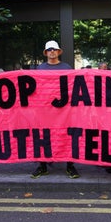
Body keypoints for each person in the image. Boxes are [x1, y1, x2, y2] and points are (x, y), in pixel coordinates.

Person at [31, 40, 80, 179]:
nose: (52, 51)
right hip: (45, 111)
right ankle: (42, 166)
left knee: (67, 136)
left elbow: (73, 87)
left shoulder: (67, 67)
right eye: (49, 49)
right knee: (43, 136)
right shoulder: (39, 69)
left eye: (54, 49)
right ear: (46, 52)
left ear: (58, 52)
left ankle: (70, 166)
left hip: (65, 110)